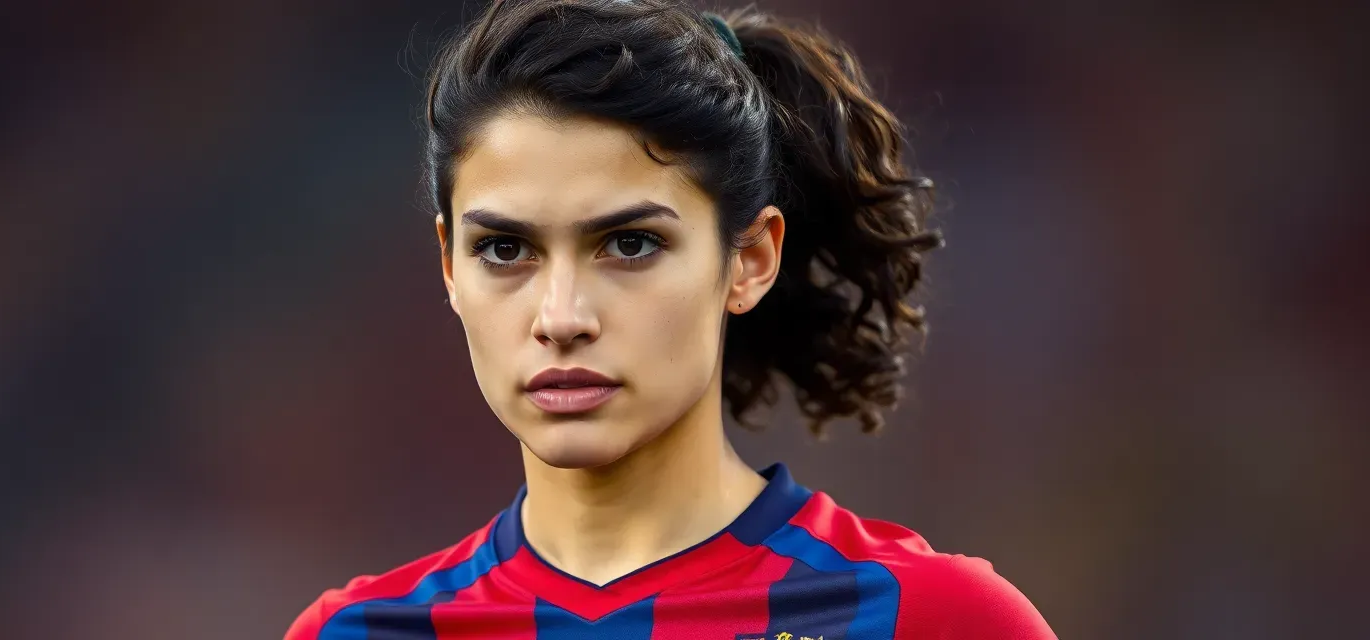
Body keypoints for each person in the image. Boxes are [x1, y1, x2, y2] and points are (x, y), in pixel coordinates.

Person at [286, 0, 1056, 637]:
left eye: (629, 243)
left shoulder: (932, 621)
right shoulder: (356, 632)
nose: (561, 317)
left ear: (749, 259)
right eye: (506, 248)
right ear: (450, 265)